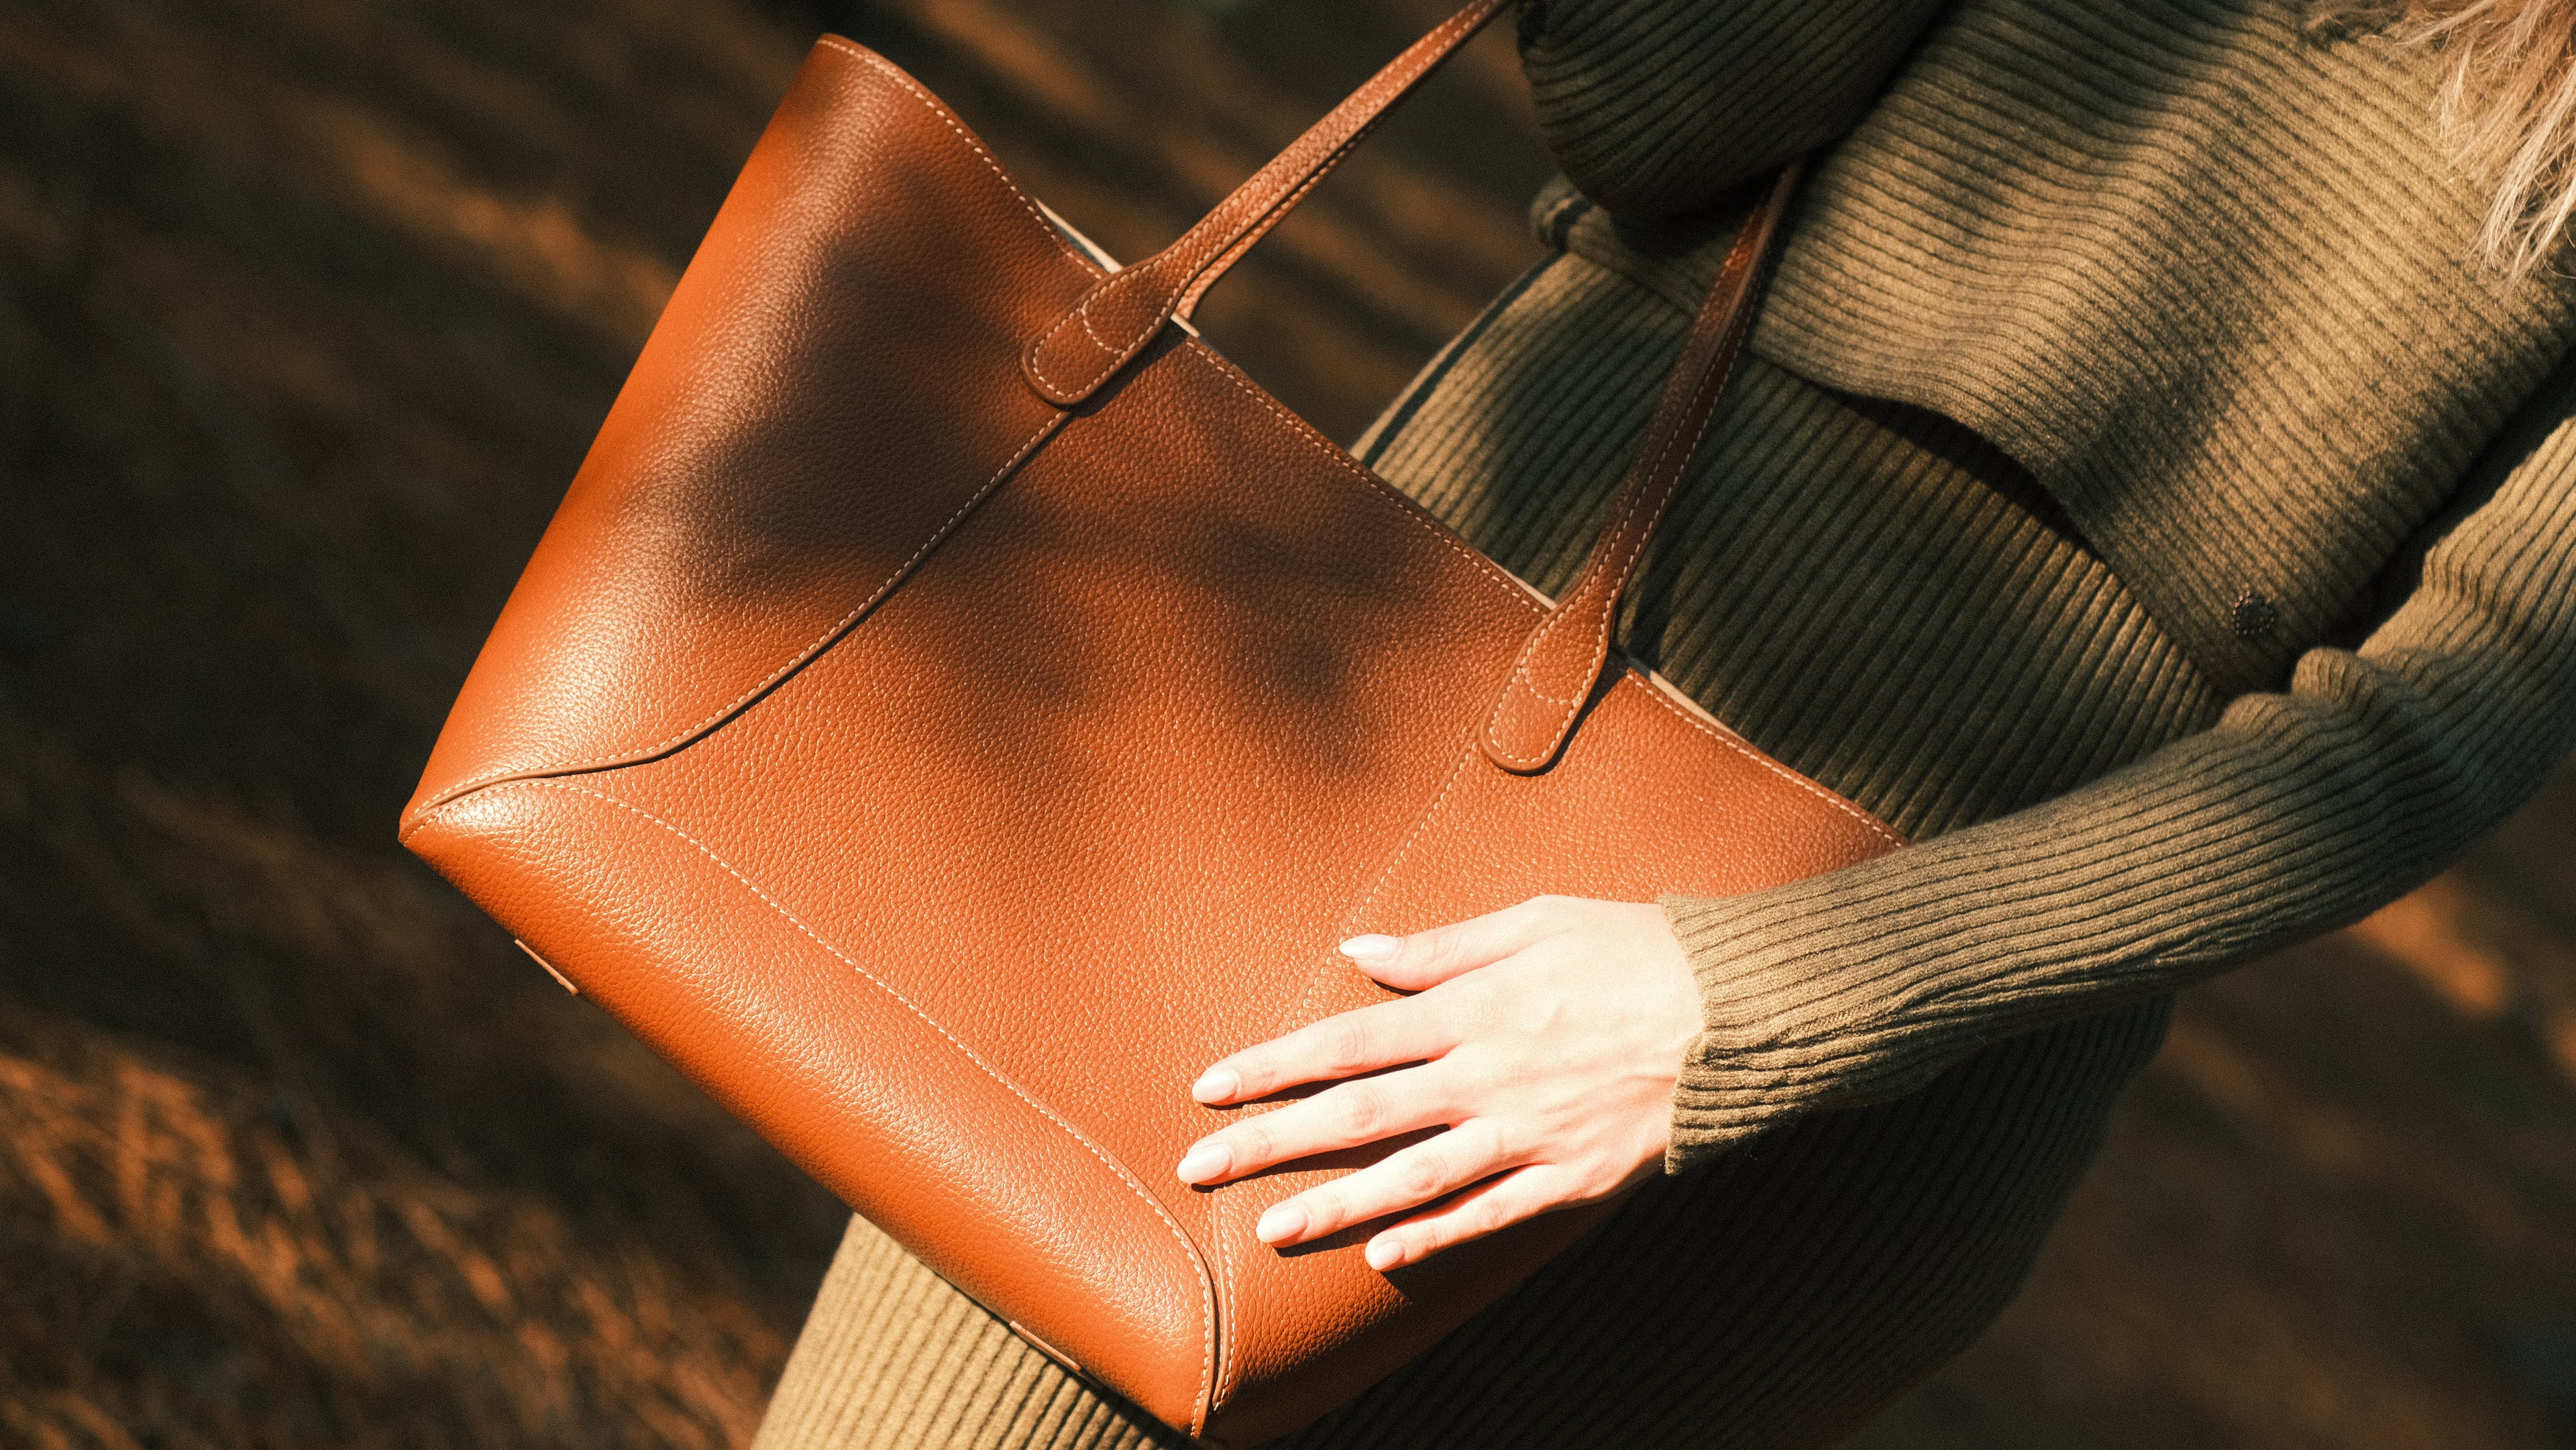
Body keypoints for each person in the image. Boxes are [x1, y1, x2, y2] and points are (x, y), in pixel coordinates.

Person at [751, 0, 2576, 1444]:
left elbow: (2437, 721)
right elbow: (1669, 95)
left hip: (1825, 1052)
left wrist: (1750, 1000)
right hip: (1406, 783)